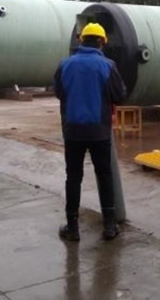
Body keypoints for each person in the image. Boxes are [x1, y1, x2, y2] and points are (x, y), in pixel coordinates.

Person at [53, 22, 127, 242]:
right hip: (99, 132)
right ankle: (110, 226)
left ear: (81, 41)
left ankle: (72, 227)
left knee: (73, 177)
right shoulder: (108, 66)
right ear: (102, 43)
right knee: (104, 175)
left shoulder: (65, 64)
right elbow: (119, 95)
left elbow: (59, 92)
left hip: (72, 131)